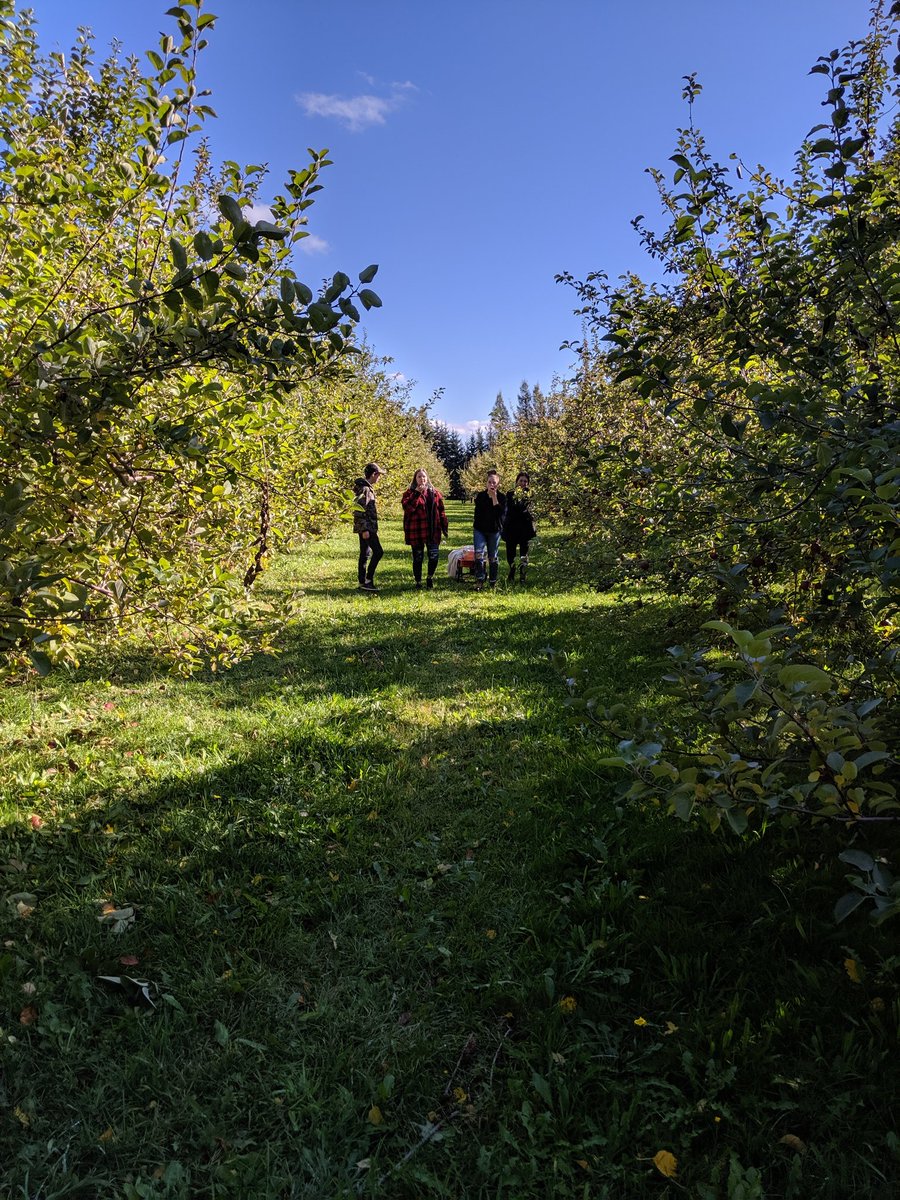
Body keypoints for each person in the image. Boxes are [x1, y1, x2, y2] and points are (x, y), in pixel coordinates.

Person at [401, 468, 449, 589]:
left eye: (424, 477)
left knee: (434, 556)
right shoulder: (409, 493)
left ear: (427, 478)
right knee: (418, 557)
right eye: (419, 477)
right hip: (417, 530)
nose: (422, 479)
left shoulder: (434, 493)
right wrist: (417, 493)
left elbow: (441, 511)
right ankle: (418, 581)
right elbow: (408, 508)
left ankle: (429, 577)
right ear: (415, 479)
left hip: (433, 530)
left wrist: (444, 526)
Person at [352, 462, 385, 592]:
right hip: (367, 528)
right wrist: (365, 529)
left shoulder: (366, 488)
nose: (379, 478)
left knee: (365, 553)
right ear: (373, 474)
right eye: (378, 475)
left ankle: (362, 581)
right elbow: (359, 511)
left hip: (368, 527)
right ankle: (368, 580)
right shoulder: (365, 489)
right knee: (378, 552)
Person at [472, 468, 507, 589]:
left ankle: (493, 581)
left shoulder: (502, 498)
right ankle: (480, 579)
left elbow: (500, 514)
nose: (492, 485)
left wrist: (494, 498)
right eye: (489, 482)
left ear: (498, 484)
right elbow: (480, 513)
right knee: (478, 554)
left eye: (494, 483)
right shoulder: (480, 496)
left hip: (494, 530)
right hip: (480, 529)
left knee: (493, 556)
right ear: (486, 483)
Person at [504, 471, 537, 583]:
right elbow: (512, 509)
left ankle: (523, 574)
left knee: (524, 552)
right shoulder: (510, 494)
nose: (523, 483)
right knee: (510, 553)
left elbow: (529, 510)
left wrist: (522, 509)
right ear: (516, 481)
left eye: (525, 481)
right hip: (512, 528)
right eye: (521, 481)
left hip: (525, 528)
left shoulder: (531, 494)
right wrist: (522, 509)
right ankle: (512, 571)